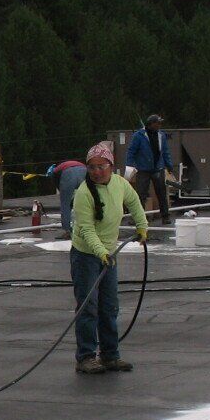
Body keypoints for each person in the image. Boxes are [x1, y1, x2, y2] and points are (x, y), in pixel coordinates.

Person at [69, 141, 149, 375]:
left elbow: (134, 202)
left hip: (108, 254)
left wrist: (142, 226)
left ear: (111, 166)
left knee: (109, 306)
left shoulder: (120, 184)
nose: (96, 171)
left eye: (101, 166)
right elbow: (85, 229)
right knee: (88, 306)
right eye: (91, 167)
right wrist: (100, 252)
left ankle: (110, 355)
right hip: (86, 256)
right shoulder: (84, 193)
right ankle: (85, 357)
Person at [124, 114, 173, 227]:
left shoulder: (161, 135)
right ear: (151, 124)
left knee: (161, 193)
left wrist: (168, 165)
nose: (159, 125)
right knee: (140, 195)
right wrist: (129, 166)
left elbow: (165, 151)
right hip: (143, 169)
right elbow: (131, 151)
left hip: (158, 168)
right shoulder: (139, 136)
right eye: (158, 123)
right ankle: (137, 218)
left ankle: (165, 216)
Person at [47, 158, 88, 234]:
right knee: (86, 202)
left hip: (68, 173)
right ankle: (86, 229)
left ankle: (67, 231)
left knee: (65, 204)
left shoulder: (55, 173)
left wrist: (69, 202)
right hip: (84, 171)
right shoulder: (64, 165)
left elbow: (62, 191)